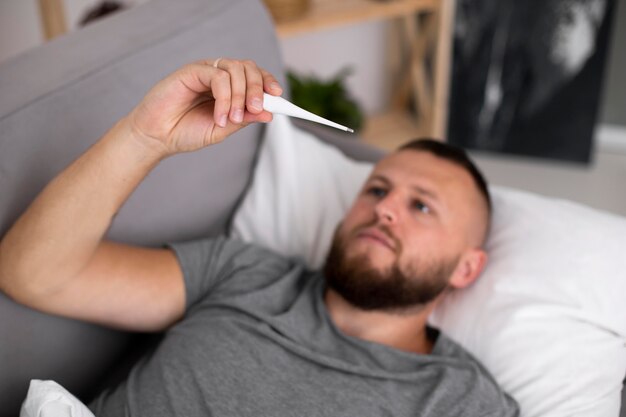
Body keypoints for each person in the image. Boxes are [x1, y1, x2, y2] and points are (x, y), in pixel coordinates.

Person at [0, 58, 519, 416]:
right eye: (377, 188)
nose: (384, 209)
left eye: (421, 205)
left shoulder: (461, 400)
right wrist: (146, 137)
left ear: (465, 267)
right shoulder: (243, 273)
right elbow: (34, 275)